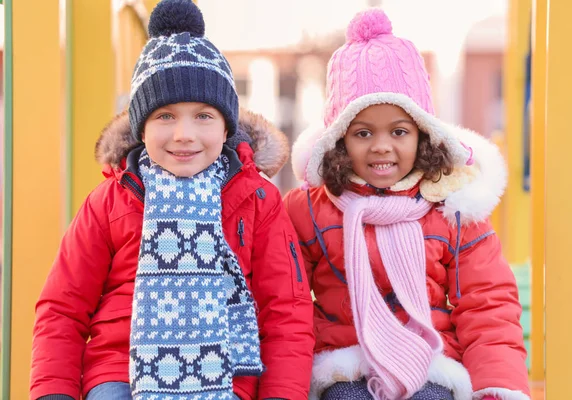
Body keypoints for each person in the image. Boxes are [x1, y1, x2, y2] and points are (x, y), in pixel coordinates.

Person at [30, 1, 314, 399]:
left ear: (226, 126)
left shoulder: (257, 200)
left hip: (228, 372)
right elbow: (63, 305)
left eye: (203, 116)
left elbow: (286, 311)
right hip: (120, 372)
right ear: (141, 126)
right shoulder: (111, 200)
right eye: (165, 116)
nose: (184, 134)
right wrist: (54, 391)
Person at [284, 8, 529, 400]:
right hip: (345, 362)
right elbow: (285, 298)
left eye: (399, 131)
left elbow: (487, 304)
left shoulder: (452, 208)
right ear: (339, 140)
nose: (382, 146)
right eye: (363, 132)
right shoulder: (311, 209)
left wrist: (495, 388)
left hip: (430, 360)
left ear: (423, 135)